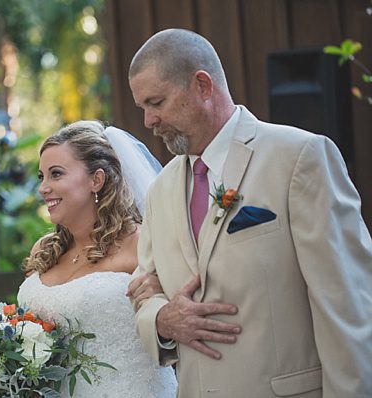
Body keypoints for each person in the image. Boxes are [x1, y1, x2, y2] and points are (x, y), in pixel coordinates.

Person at [125, 28, 372, 396]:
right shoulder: (160, 190)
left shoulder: (299, 158)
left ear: (203, 86)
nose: (148, 121)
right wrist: (162, 319)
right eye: (142, 107)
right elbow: (144, 290)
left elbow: (346, 306)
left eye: (156, 102)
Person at [16, 120, 176, 397]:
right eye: (41, 176)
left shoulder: (141, 242)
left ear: (96, 180)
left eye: (56, 174)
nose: (43, 188)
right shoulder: (43, 250)